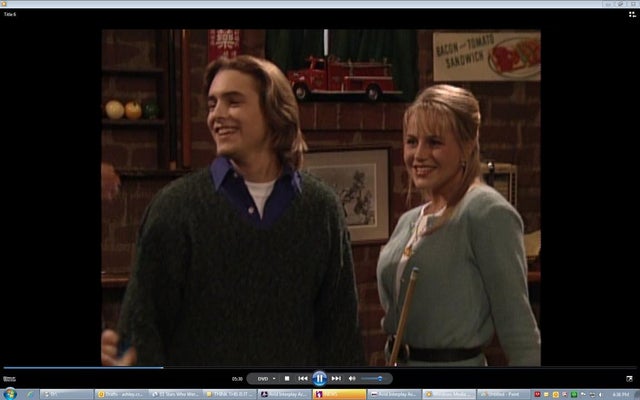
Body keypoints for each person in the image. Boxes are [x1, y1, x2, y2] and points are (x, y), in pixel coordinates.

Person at [101, 54, 365, 367]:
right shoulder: (174, 208)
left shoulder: (321, 208)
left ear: (274, 111)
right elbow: (141, 331)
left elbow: (341, 334)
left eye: (233, 102)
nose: (217, 115)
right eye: (212, 104)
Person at [376, 84, 541, 366]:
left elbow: (519, 330)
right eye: (412, 141)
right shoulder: (409, 221)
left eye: (434, 142)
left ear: (467, 146)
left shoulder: (486, 212)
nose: (419, 154)